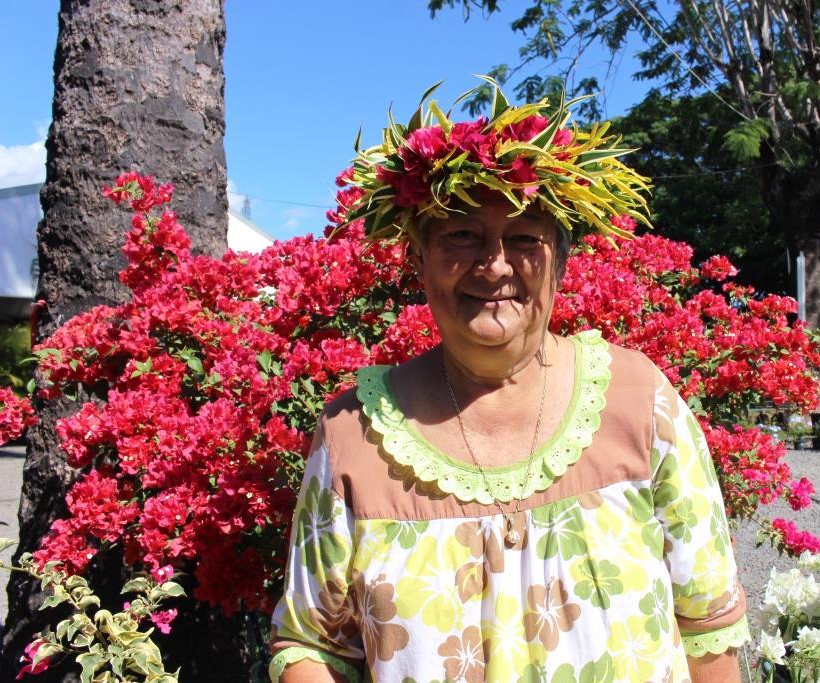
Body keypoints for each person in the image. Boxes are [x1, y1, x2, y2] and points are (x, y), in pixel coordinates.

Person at [268, 81, 749, 682]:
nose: (494, 263)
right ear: (418, 257)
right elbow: (314, 648)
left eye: (524, 238)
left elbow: (708, 631)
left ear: (562, 260)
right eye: (462, 235)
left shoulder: (641, 404)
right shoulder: (354, 438)